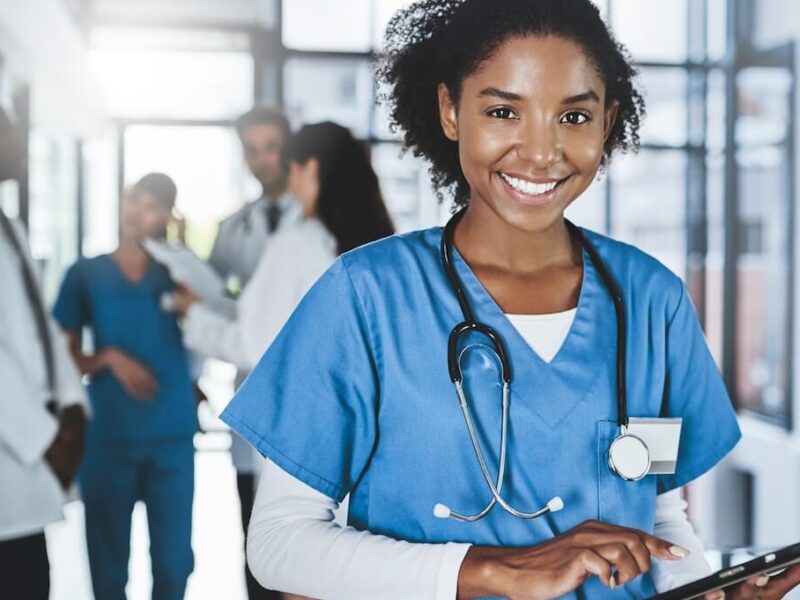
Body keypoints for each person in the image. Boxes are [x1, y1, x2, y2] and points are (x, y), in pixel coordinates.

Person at [218, 1, 800, 599]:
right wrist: (492, 570)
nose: (541, 152)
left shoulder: (652, 300)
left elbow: (656, 516)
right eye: (503, 111)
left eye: (573, 117)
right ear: (450, 110)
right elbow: (278, 543)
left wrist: (698, 588)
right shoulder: (365, 296)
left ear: (608, 121)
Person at [54, 173, 196, 600]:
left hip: (171, 435)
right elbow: (62, 359)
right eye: (134, 198)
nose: (137, 211)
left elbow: (212, 330)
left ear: (167, 217)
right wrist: (109, 358)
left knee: (174, 565)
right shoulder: (85, 274)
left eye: (152, 205)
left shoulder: (178, 274)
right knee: (108, 567)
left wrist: (182, 254)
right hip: (109, 437)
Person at [174, 121, 394, 371]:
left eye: (291, 171)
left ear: (310, 169)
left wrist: (194, 314)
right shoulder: (381, 245)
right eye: (253, 150)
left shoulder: (296, 244)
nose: (290, 183)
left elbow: (255, 349)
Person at [206, 105, 301, 600]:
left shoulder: (315, 224)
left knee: (308, 547)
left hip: (305, 400)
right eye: (252, 150)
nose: (263, 159)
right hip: (255, 397)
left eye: (272, 147)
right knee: (257, 542)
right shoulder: (233, 228)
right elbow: (218, 305)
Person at [0, 105, 87, 600]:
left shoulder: (10, 225)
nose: (16, 143)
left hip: (29, 465)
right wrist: (45, 439)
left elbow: (43, 334)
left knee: (32, 578)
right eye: (7, 133)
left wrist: (73, 406)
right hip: (16, 455)